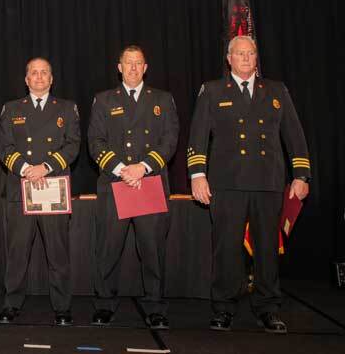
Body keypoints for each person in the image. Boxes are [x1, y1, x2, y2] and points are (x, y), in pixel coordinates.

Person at [188, 35, 311, 334]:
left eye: (250, 53)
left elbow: (294, 134)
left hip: (268, 182)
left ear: (256, 58)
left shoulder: (277, 90)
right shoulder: (213, 90)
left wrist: (301, 174)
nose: (245, 58)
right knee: (226, 248)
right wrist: (197, 174)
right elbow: (198, 134)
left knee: (267, 247)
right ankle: (224, 307)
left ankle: (268, 307)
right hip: (227, 183)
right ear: (228, 58)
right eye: (239, 53)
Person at [87, 45, 179, 330]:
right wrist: (122, 169)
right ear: (119, 67)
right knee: (108, 249)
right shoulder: (103, 100)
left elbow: (170, 139)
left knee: (152, 250)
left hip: (148, 182)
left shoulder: (162, 99)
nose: (133, 68)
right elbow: (95, 142)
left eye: (138, 63)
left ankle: (155, 307)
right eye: (128, 63)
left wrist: (143, 167)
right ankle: (104, 304)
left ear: (145, 67)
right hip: (115, 183)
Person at [0, 57, 81, 326]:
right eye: (34, 72)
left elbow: (73, 145)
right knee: (17, 252)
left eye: (44, 72)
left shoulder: (67, 108)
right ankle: (11, 304)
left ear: (51, 79)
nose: (39, 76)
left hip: (53, 186)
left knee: (58, 252)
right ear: (26, 79)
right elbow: (4, 147)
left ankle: (62, 307)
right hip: (21, 187)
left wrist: (44, 167)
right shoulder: (11, 108)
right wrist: (26, 170)